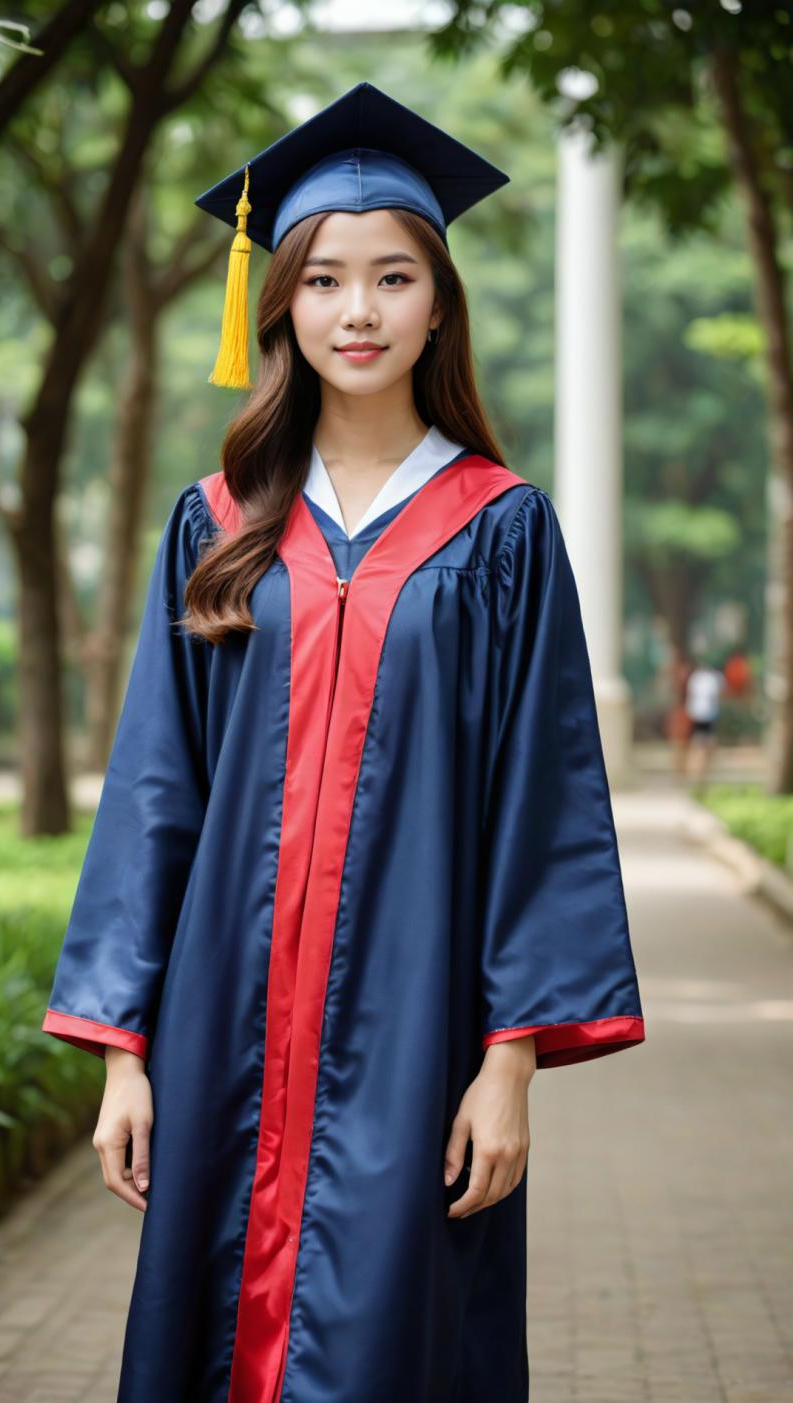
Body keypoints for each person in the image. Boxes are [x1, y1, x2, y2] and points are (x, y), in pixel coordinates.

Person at [42, 81, 646, 1403]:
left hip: (416, 1033)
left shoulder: (502, 532)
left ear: (440, 302)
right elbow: (159, 790)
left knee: (395, 1339)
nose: (358, 310)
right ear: (283, 303)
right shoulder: (217, 524)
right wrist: (122, 1053)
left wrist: (511, 1062)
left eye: (392, 277)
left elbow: (542, 806)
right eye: (322, 279)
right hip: (222, 1034)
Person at [684, 654, 726, 786]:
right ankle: (699, 773)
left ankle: (696, 772)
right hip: (706, 715)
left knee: (699, 744)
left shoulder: (695, 678)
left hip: (696, 714)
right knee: (705, 745)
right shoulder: (712, 678)